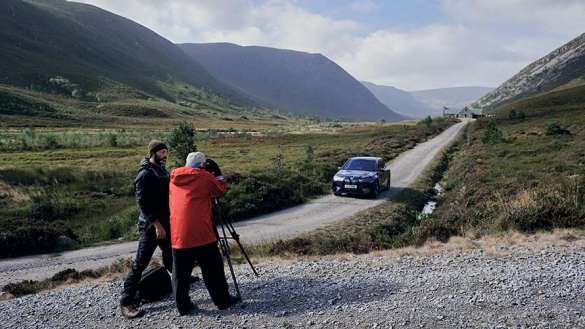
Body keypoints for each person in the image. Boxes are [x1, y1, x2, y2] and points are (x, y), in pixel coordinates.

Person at [169, 152, 240, 315]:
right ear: (202, 165)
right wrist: (218, 175)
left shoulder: (173, 178)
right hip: (201, 232)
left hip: (178, 234)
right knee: (212, 267)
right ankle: (222, 301)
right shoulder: (204, 176)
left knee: (180, 273)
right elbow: (220, 190)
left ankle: (183, 306)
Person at [120, 140, 173, 319]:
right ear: (153, 153)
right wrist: (157, 225)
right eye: (162, 152)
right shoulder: (145, 174)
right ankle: (127, 301)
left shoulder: (160, 169)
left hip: (164, 223)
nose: (165, 155)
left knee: (170, 253)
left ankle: (180, 280)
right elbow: (142, 204)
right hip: (151, 226)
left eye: (166, 152)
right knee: (140, 263)